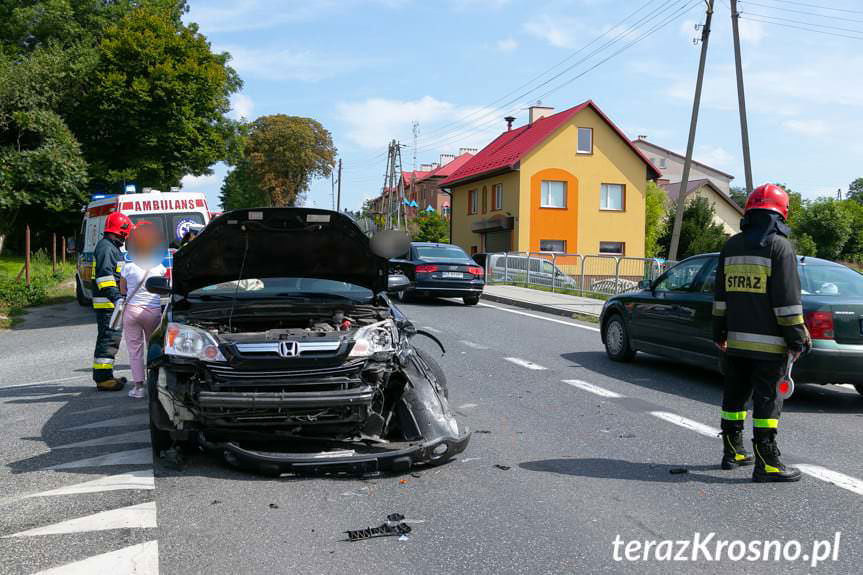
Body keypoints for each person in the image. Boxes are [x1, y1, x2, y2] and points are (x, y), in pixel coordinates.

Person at [712, 183, 810, 483]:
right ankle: (767, 464)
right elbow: (787, 302)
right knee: (767, 402)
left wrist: (719, 332)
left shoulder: (731, 246)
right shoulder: (779, 247)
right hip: (770, 347)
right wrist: (797, 338)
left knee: (734, 397)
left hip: (735, 342)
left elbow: (720, 297)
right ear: (781, 214)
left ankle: (733, 452)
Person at [120, 222, 167, 399]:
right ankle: (156, 385)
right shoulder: (159, 267)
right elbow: (164, 288)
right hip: (153, 311)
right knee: (154, 348)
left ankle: (138, 388)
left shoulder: (128, 267)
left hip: (132, 311)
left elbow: (123, 290)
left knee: (135, 350)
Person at [91, 211, 133, 391]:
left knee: (110, 338)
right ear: (122, 231)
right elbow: (105, 278)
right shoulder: (107, 248)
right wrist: (116, 297)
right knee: (108, 339)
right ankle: (103, 379)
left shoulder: (110, 247)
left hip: (112, 304)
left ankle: (106, 376)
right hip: (109, 305)